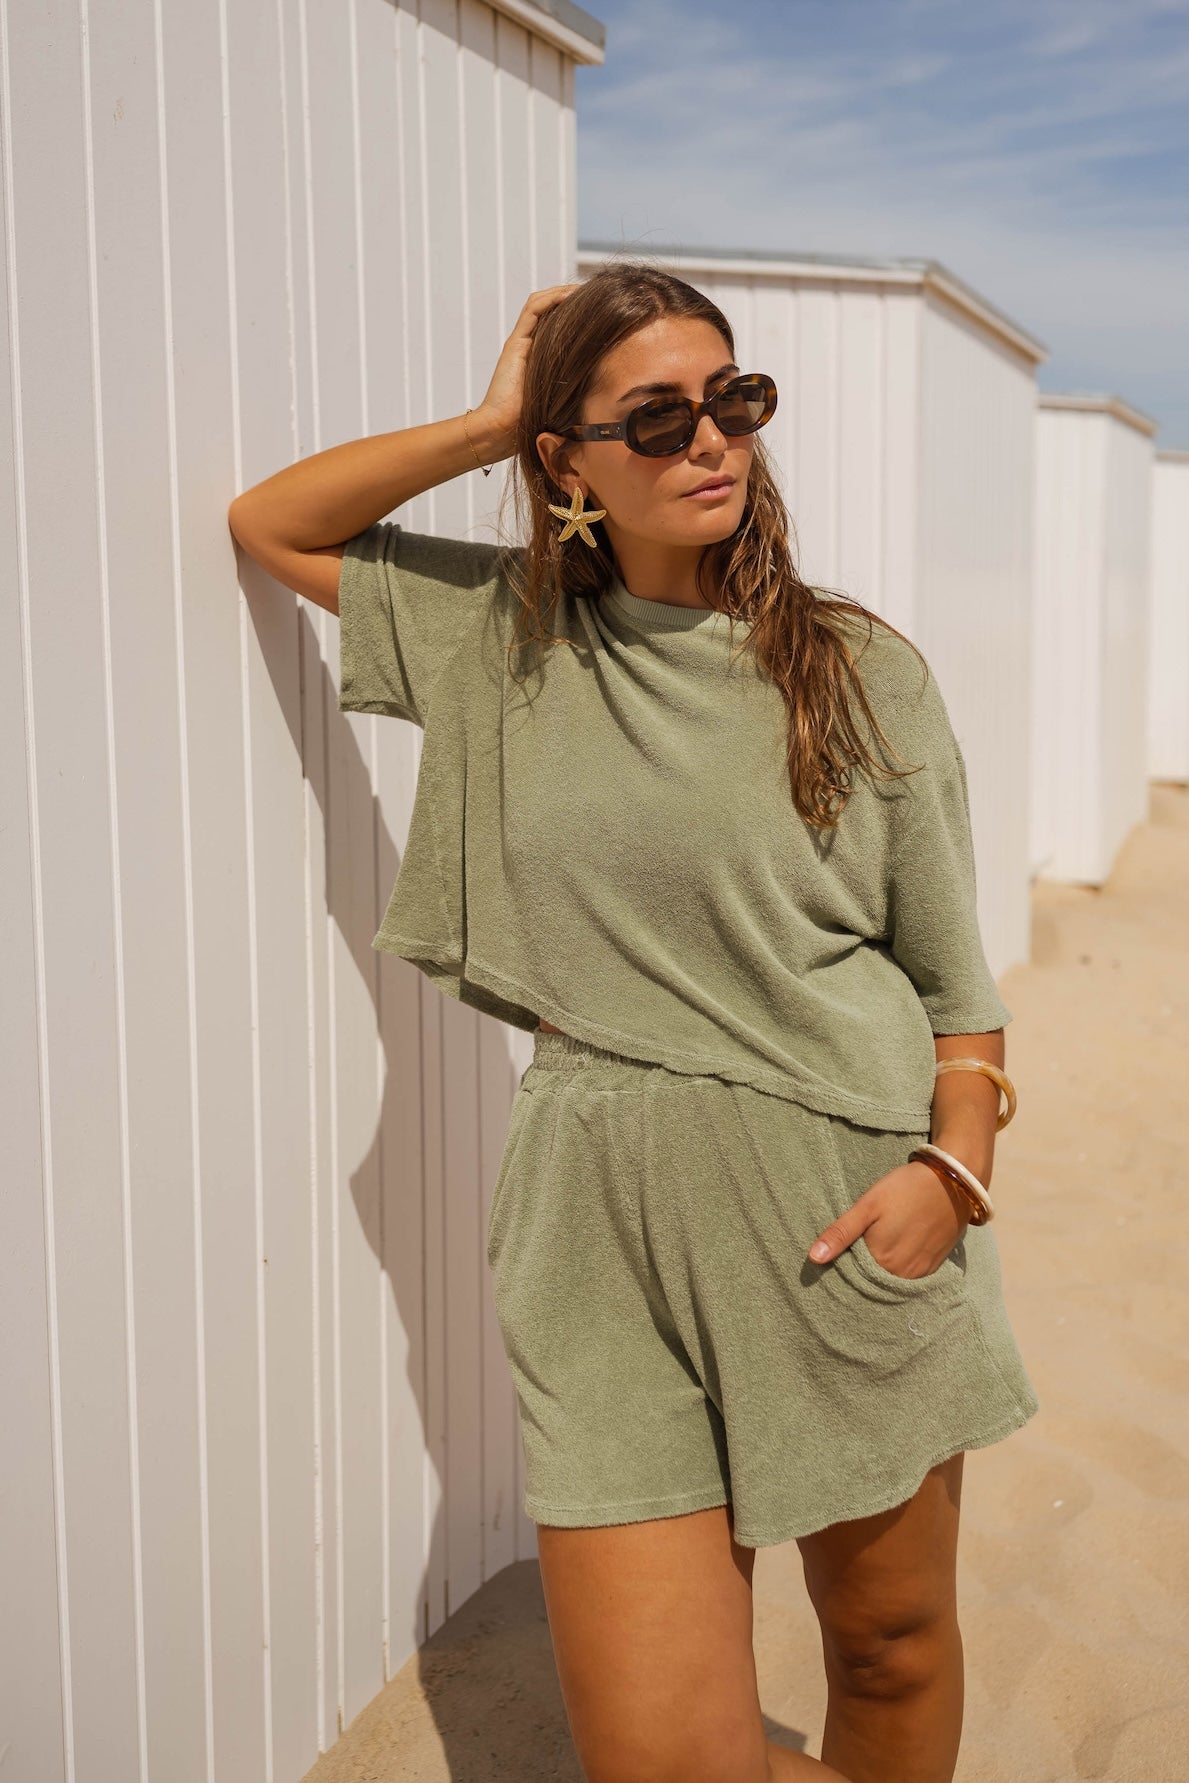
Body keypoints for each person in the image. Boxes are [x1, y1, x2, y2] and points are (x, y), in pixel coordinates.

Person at [227, 262, 1039, 1783]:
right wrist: (490, 424)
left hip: (845, 1210)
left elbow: (953, 987)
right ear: (569, 460)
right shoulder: (502, 636)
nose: (709, 439)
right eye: (655, 418)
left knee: (888, 1643)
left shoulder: (857, 673)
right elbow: (272, 526)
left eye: (733, 400)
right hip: (596, 1226)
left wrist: (952, 1173)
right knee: (664, 1758)